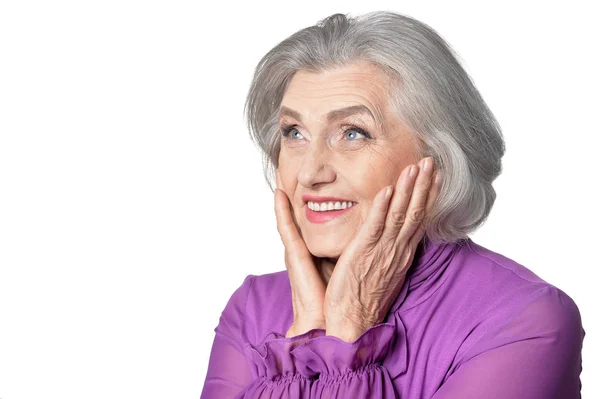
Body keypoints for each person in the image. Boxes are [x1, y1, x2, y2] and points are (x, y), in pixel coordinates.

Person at [200, 11, 584, 398]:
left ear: (437, 157)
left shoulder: (523, 320)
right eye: (294, 133)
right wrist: (309, 335)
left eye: (353, 133)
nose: (309, 173)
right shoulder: (252, 310)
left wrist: (348, 338)